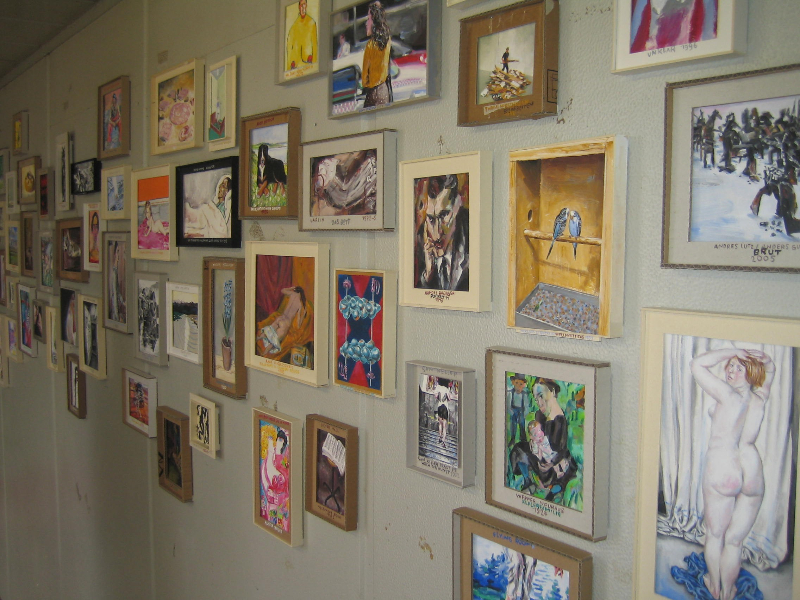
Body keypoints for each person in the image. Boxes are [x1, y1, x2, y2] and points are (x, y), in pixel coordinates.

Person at [690, 348, 775, 600]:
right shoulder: (759, 398)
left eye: (740, 368)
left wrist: (733, 351)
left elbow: (697, 364)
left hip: (724, 467)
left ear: (751, 374)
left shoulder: (728, 395)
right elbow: (770, 371)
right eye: (731, 365)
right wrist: (766, 361)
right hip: (752, 470)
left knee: (716, 535)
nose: (731, 371)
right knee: (734, 541)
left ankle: (715, 587)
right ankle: (729, 591)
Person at [509, 378, 578, 500]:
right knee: (518, 449)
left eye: (541, 396)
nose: (539, 402)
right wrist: (533, 443)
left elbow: (561, 449)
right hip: (539, 452)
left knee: (561, 472)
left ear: (552, 392)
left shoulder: (559, 419)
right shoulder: (539, 414)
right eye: (536, 399)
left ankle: (552, 491)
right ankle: (528, 481)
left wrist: (551, 463)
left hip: (554, 459)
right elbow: (535, 435)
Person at [415, 174, 469, 291]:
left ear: (457, 205)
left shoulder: (472, 234)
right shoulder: (419, 243)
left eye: (444, 215)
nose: (437, 233)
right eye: (431, 219)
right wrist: (427, 275)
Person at [256, 286, 313, 366]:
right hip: (286, 323)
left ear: (295, 290)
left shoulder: (292, 294)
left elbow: (282, 290)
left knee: (269, 330)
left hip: (280, 318)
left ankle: (257, 338)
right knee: (274, 341)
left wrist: (291, 288)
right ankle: (264, 354)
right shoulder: (301, 304)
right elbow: (299, 322)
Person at [361, 1, 393, 108]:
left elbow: (364, 78)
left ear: (374, 21)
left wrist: (366, 83)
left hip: (373, 92)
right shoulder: (387, 40)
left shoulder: (370, 45)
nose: (366, 23)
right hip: (384, 90)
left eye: (368, 19)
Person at [183, 174, 232, 238]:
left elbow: (218, 226)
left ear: (228, 191)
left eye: (223, 186)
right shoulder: (212, 206)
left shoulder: (224, 208)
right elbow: (203, 215)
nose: (220, 187)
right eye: (220, 185)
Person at [260, 429, 290, 529]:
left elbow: (282, 479)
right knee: (272, 519)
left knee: (281, 521)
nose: (278, 443)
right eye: (278, 440)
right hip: (272, 499)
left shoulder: (284, 460)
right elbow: (267, 474)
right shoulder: (271, 458)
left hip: (282, 500)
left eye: (281, 441)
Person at [285, 0, 317, 72]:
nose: (303, 7)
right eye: (301, 5)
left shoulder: (311, 23)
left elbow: (315, 44)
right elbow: (289, 47)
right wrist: (290, 64)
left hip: (308, 61)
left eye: (304, 4)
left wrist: (314, 61)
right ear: (299, 7)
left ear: (306, 6)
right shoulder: (294, 26)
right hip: (296, 64)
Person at [506, 373, 531, 448]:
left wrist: (524, 414)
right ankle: (512, 438)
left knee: (522, 425)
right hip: (514, 411)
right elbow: (508, 405)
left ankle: (523, 439)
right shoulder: (511, 393)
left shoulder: (524, 395)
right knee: (513, 425)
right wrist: (511, 412)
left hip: (521, 411)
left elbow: (526, 406)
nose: (518, 386)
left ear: (524, 385)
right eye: (516, 383)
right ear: (513, 382)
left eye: (521, 384)